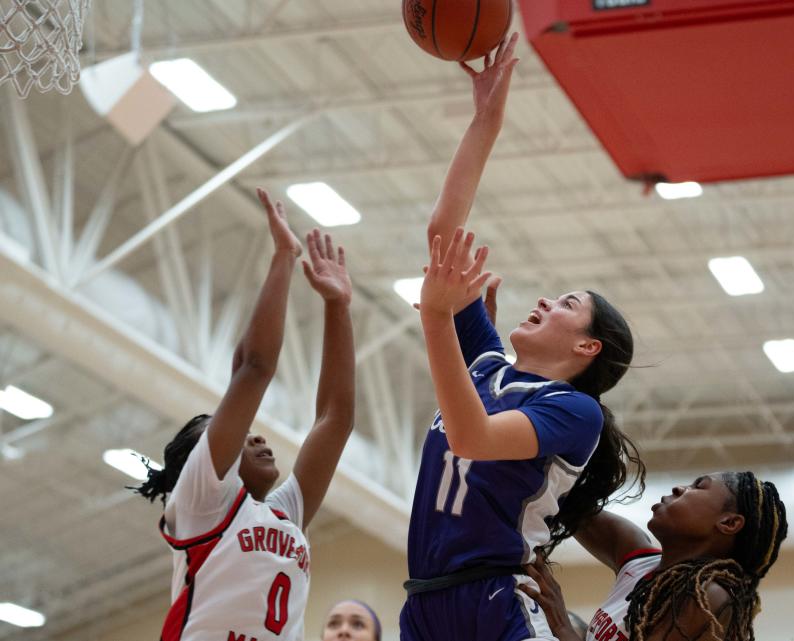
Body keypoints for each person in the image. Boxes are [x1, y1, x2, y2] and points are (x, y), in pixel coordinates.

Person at [400, 33, 644, 641]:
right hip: (424, 603)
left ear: (588, 347)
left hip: (495, 600)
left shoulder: (573, 410)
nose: (544, 300)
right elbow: (442, 231)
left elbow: (472, 435)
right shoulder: (488, 367)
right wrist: (486, 121)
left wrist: (436, 318)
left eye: (566, 304)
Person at [134, 189, 356, 641]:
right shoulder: (202, 500)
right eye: (238, 437)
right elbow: (253, 370)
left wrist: (338, 307)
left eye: (251, 432)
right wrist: (283, 257)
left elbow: (335, 418)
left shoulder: (283, 514)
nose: (253, 438)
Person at [518, 472, 788, 641]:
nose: (679, 488)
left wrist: (564, 627)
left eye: (699, 485)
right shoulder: (638, 557)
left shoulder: (708, 597)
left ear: (729, 523)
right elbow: (569, 500)